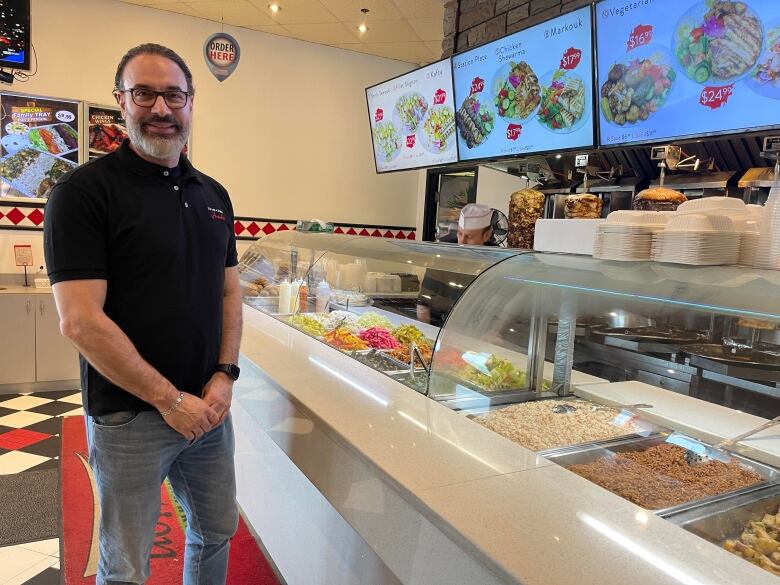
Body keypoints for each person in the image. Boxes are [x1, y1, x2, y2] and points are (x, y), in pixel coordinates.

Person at [43, 44, 241, 585]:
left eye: (173, 94)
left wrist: (224, 375)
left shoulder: (214, 195)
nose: (160, 107)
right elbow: (80, 321)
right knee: (126, 562)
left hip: (208, 410)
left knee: (216, 530)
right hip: (128, 416)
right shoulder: (83, 194)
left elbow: (228, 295)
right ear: (120, 102)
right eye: (144, 93)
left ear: (191, 103)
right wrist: (168, 400)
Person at [418, 204, 498, 324]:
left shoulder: (497, 260)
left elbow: (499, 309)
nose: (462, 242)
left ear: (487, 235)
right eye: (460, 234)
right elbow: (424, 302)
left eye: (469, 237)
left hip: (473, 327)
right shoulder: (443, 253)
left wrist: (495, 331)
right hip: (439, 323)